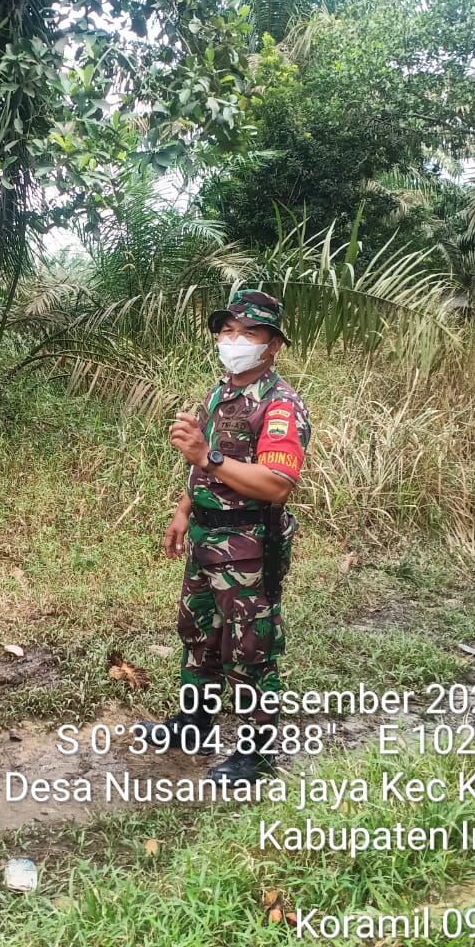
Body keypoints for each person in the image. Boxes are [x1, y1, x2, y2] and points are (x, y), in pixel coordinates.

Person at [139, 290, 312, 786]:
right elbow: (209, 467)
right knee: (198, 637)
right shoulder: (221, 393)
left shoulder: (279, 406)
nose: (234, 340)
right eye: (227, 330)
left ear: (273, 344)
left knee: (250, 649)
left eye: (249, 333)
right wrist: (183, 508)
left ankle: (256, 754)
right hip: (205, 539)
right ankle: (193, 725)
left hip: (249, 547)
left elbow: (277, 484)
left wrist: (206, 458)